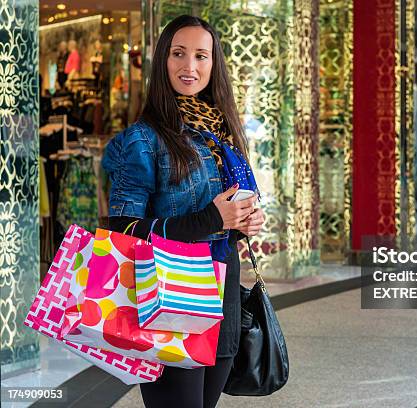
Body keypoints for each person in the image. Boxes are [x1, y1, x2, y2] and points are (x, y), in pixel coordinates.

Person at [101, 15, 264, 408]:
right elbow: (123, 231)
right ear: (163, 61)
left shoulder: (222, 133)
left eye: (201, 56)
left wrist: (242, 223)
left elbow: (226, 213)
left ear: (214, 64)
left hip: (222, 290)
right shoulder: (142, 139)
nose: (190, 67)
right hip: (170, 297)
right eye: (179, 54)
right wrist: (212, 219)